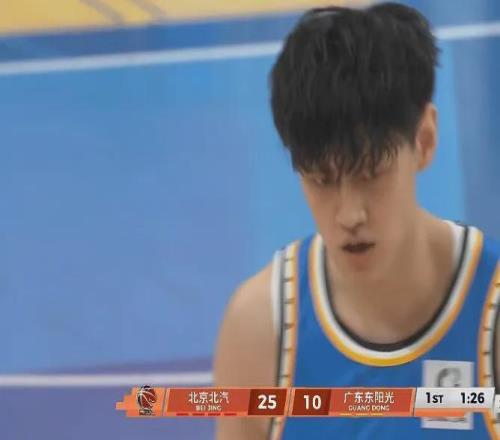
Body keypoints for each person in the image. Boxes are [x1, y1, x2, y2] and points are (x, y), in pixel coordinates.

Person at [214, 3, 500, 439]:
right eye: (322, 180)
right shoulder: (260, 331)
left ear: (424, 141)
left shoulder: (490, 313)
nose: (350, 215)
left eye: (371, 174)